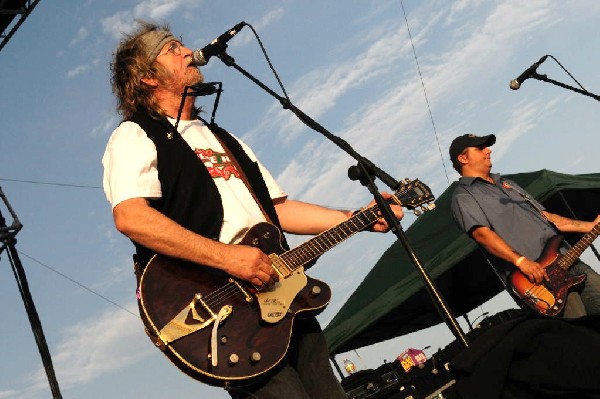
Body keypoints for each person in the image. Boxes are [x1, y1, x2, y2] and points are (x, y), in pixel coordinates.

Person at [102, 21, 403, 399]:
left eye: (180, 44)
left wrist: (356, 219)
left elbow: (278, 213)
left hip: (284, 293)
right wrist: (228, 258)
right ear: (146, 77)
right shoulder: (135, 134)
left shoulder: (223, 138)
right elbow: (131, 217)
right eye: (171, 49)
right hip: (224, 311)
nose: (185, 51)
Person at [449, 133, 600, 318]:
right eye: (480, 148)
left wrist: (591, 226)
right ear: (463, 158)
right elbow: (482, 235)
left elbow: (546, 217)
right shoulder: (464, 196)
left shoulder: (507, 183)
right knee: (582, 334)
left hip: (568, 259)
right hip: (541, 280)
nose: (488, 151)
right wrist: (521, 261)